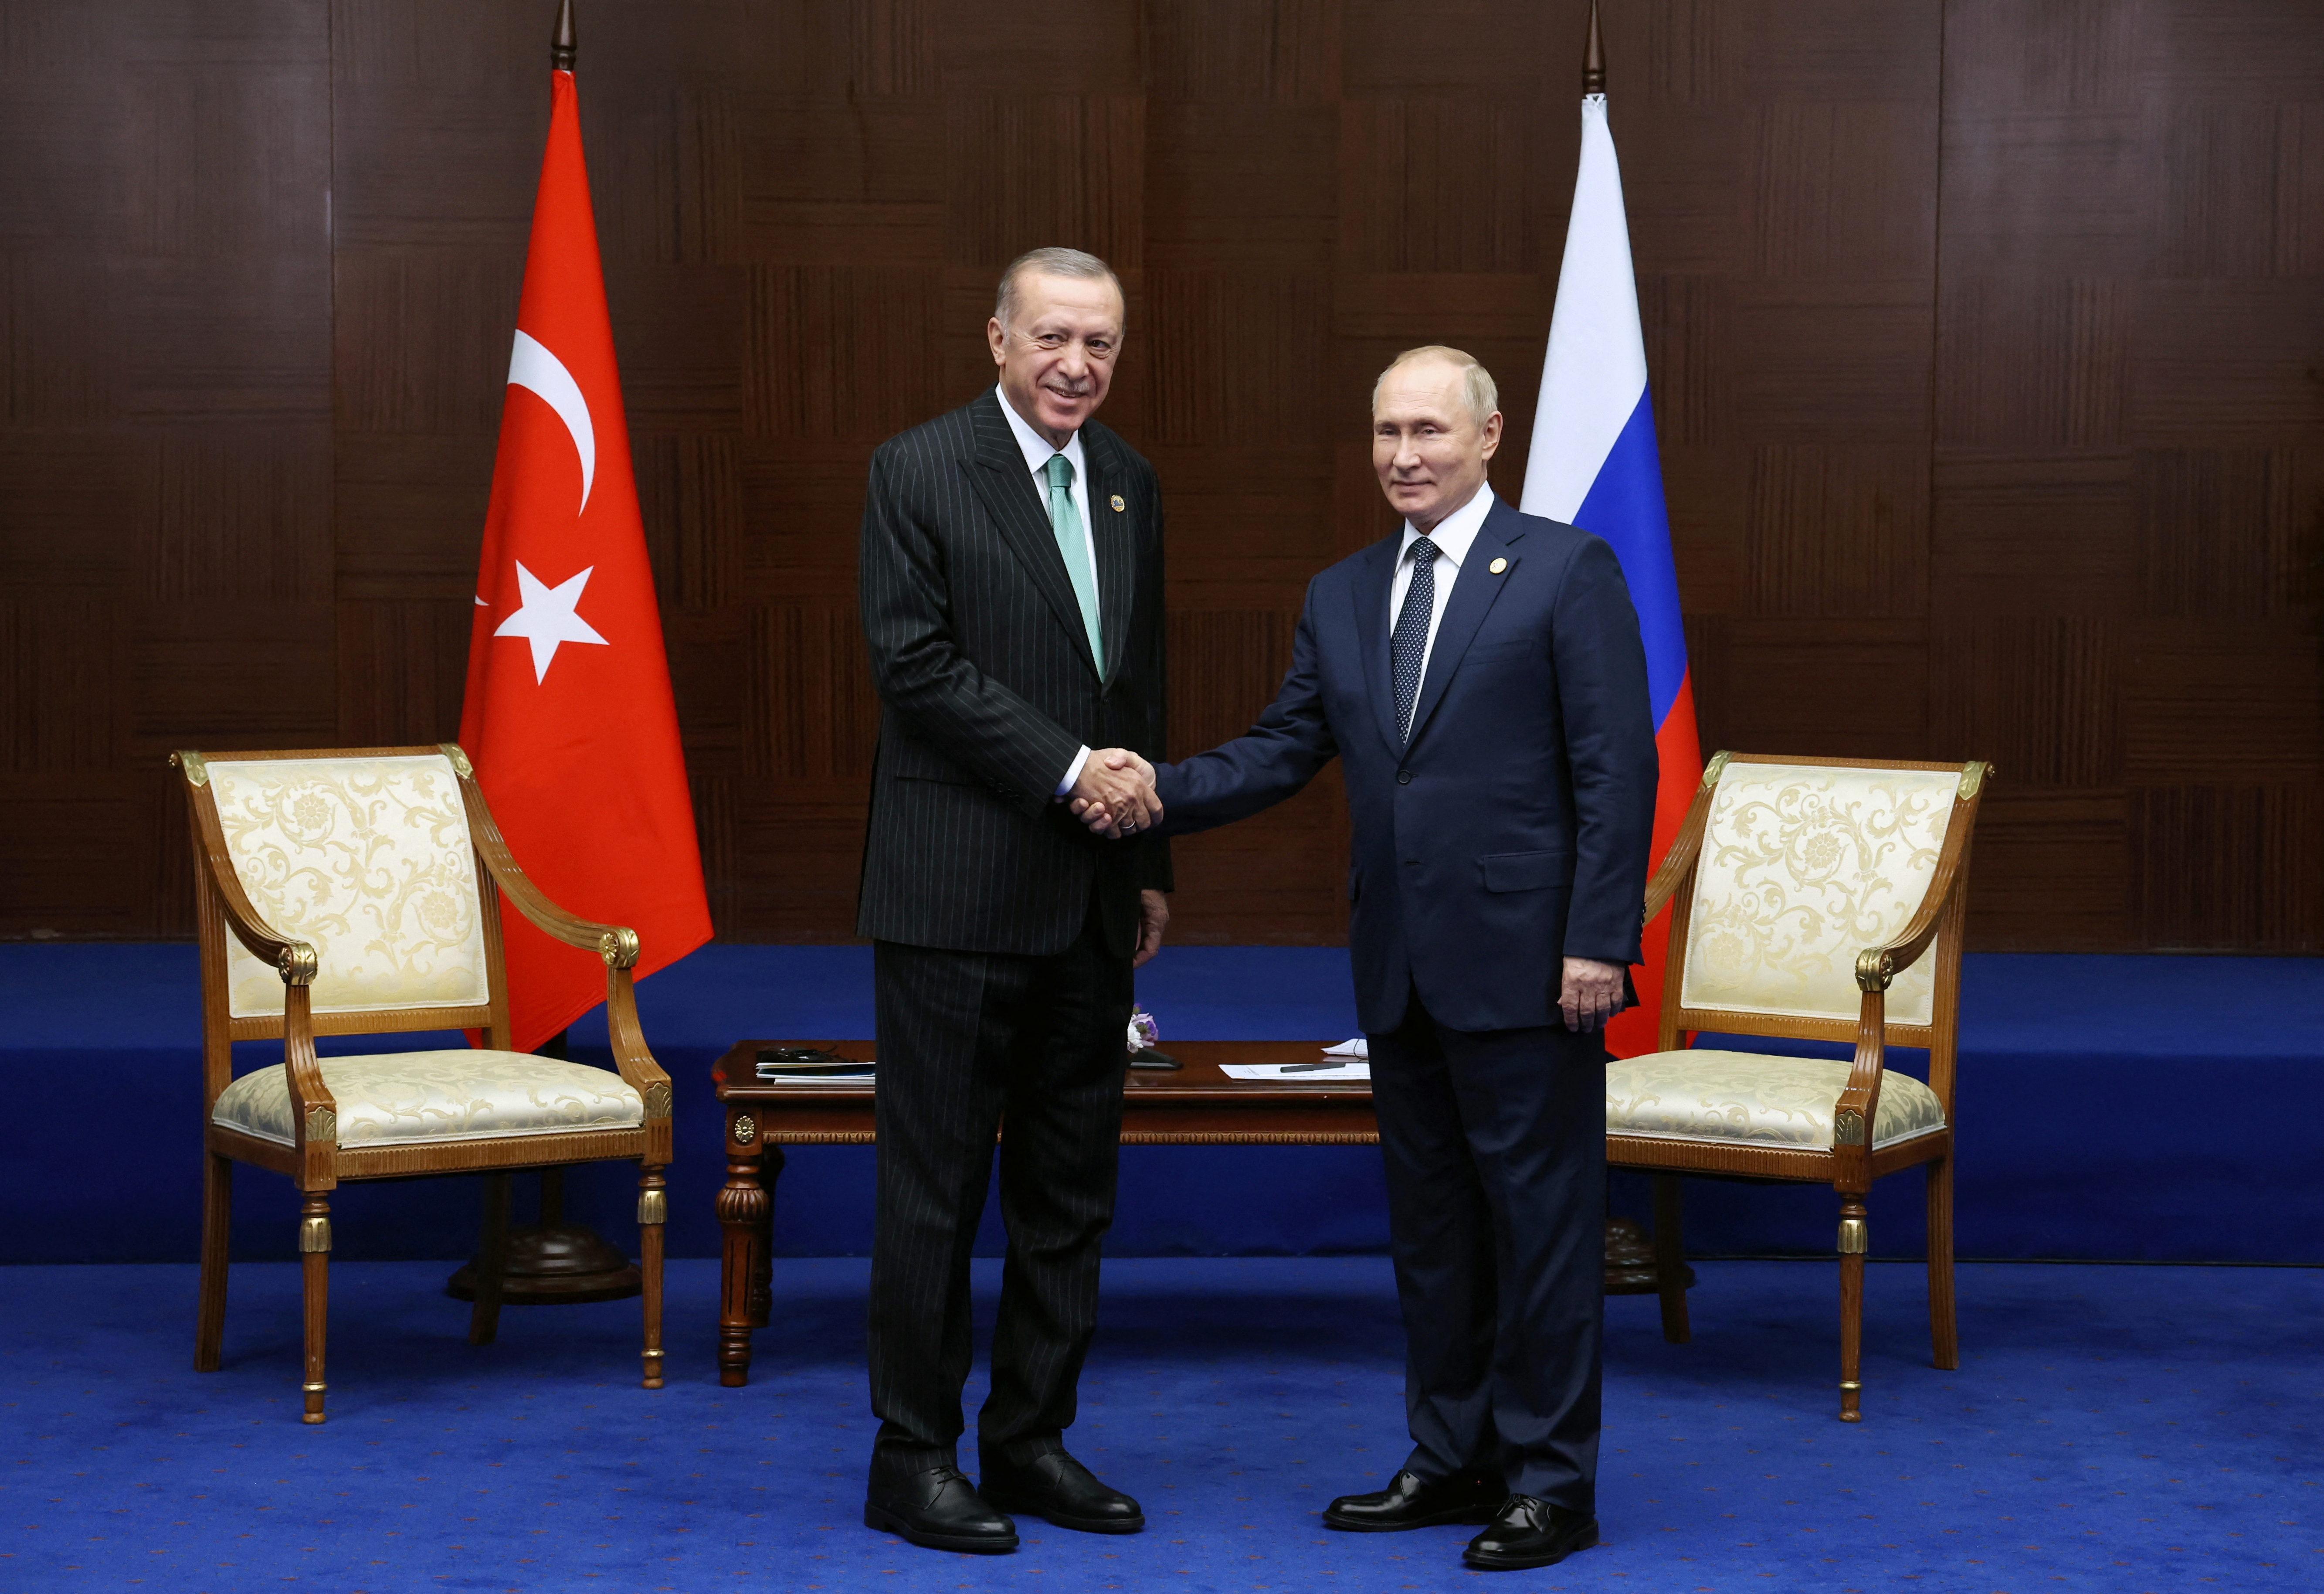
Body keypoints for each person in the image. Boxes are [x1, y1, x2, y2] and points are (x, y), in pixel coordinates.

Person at [1078, 346, 1656, 1571]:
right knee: (1435, 1231)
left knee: (1542, 1230)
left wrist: (1599, 939)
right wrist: (1151, 795)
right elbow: (1285, 747)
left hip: (1534, 966)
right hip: (1398, 966)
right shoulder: (1343, 592)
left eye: (1430, 432)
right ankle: (1451, 1458)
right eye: (1387, 431)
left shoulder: (1567, 569)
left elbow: (1618, 770)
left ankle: (1552, 1482)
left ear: (1489, 436)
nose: (1404, 455)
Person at [853, 246, 1170, 1553]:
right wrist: (1069, 770)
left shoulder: (1130, 481)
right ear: (996, 338)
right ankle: (914, 1453)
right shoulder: (915, 470)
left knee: (1067, 1190)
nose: (1076, 366)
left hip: (1092, 896)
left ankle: (1030, 1437)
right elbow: (914, 664)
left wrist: (1149, 857)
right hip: (954, 892)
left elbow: (1135, 679)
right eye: (1052, 338)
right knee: (934, 1191)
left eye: (1099, 343)